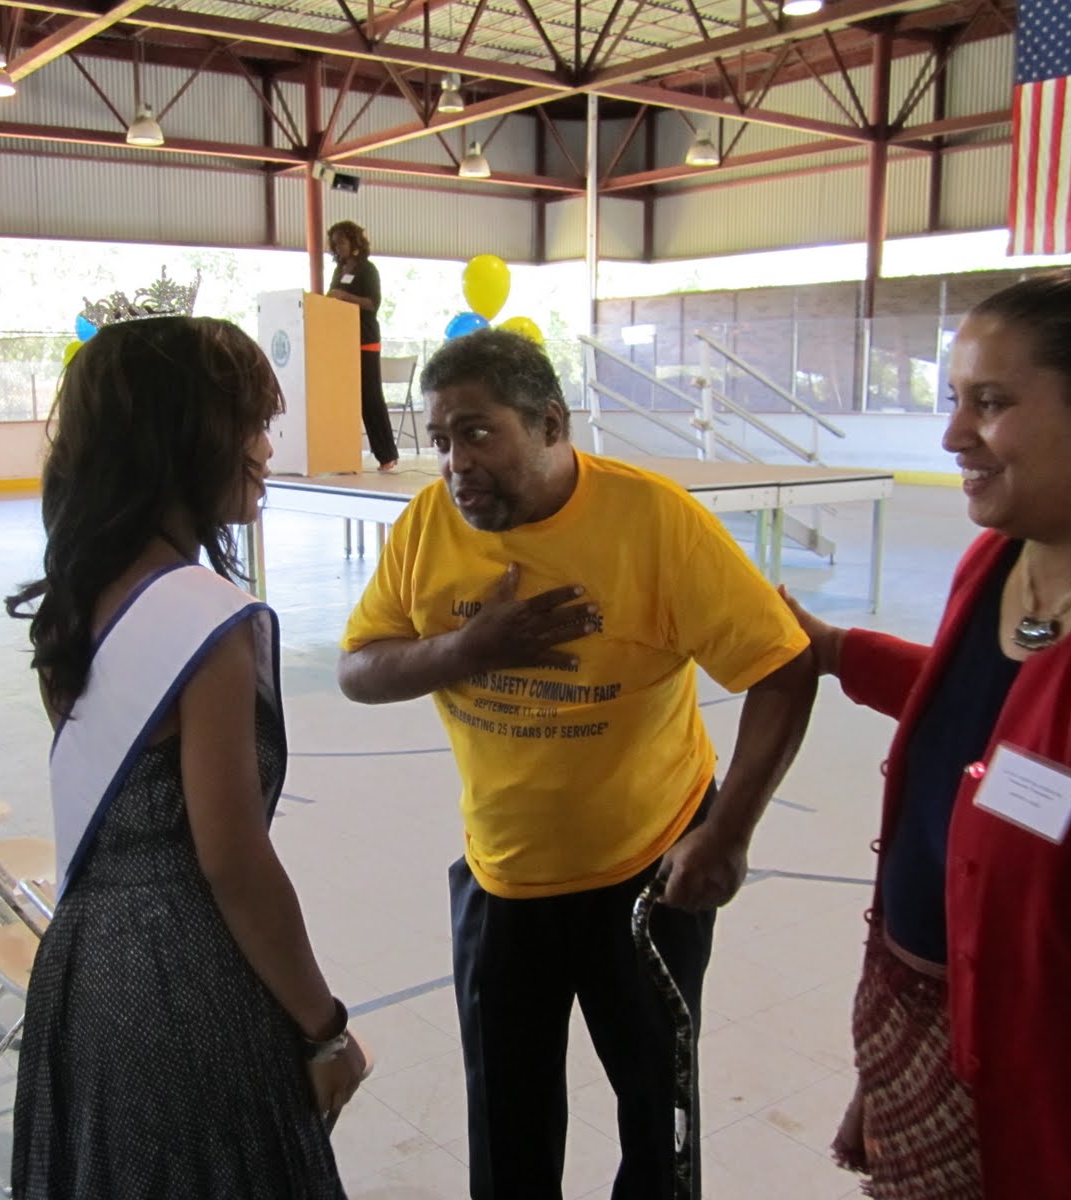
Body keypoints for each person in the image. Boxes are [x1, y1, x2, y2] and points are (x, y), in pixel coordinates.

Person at [782, 238, 1071, 1200]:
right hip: (927, 1017)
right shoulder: (1003, 555)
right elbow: (991, 714)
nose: (953, 436)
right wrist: (833, 649)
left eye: (991, 403)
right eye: (953, 399)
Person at [336, 328, 817, 1199]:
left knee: (656, 1115)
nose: (454, 463)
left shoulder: (654, 522)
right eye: (439, 439)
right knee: (508, 1125)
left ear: (551, 422)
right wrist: (467, 648)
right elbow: (359, 668)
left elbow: (783, 669)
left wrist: (729, 831)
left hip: (648, 875)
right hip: (502, 879)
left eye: (478, 432)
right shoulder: (425, 526)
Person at [6, 313, 370, 1198]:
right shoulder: (207, 622)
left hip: (85, 966)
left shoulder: (82, 592)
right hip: (185, 985)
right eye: (252, 425)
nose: (266, 448)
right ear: (189, 439)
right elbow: (233, 861)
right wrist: (324, 1026)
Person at [326, 220, 399, 472]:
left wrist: (344, 297)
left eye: (342, 242)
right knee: (346, 398)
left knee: (370, 397)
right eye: (334, 243)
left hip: (365, 339)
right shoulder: (339, 270)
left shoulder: (368, 270)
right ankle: (344, 454)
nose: (338, 247)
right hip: (342, 341)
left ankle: (387, 455)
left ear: (355, 242)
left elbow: (372, 303)